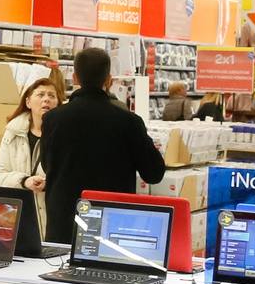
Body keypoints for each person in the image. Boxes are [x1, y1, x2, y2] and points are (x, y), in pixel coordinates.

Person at [42, 48, 166, 244]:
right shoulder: (129, 122)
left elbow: (46, 165)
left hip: (63, 224)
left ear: (74, 78)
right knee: (110, 273)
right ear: (108, 80)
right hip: (113, 225)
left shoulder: (52, 119)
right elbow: (154, 173)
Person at [0, 77, 60, 238]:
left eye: (52, 96)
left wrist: (49, 183)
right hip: (16, 216)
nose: (46, 99)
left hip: (52, 216)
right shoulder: (12, 133)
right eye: (41, 94)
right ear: (28, 102)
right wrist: (24, 181)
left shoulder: (63, 134)